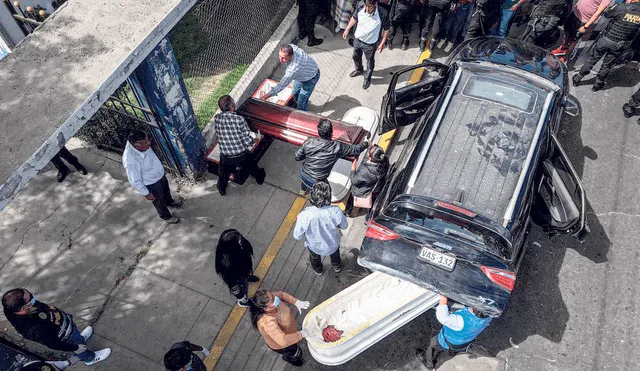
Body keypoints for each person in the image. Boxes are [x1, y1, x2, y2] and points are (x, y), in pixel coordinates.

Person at [2, 288, 111, 367]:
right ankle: (89, 358)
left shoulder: (11, 307)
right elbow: (53, 344)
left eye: (30, 295)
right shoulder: (33, 330)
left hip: (64, 325)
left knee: (77, 338)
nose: (34, 299)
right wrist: (75, 348)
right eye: (30, 300)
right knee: (78, 346)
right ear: (23, 308)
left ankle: (80, 339)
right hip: (66, 336)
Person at [573, 0, 640, 91]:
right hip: (619, 45)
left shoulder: (622, 7)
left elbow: (607, 14)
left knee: (592, 60)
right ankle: (597, 85)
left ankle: (578, 78)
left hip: (606, 40)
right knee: (607, 65)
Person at [417, 295, 493, 370]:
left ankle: (429, 364)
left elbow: (442, 317)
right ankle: (451, 352)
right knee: (454, 349)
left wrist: (443, 298)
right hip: (464, 342)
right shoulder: (489, 317)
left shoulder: (461, 321)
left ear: (474, 309)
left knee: (433, 345)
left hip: (448, 341)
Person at [123, 130, 182, 224]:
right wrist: (146, 193)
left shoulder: (142, 146)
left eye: (147, 140)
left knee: (166, 191)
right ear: (137, 145)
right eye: (146, 142)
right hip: (151, 183)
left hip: (159, 175)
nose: (149, 143)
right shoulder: (131, 160)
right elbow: (134, 180)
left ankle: (170, 202)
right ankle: (166, 216)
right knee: (159, 201)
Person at [295, 119, 369, 193]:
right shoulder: (337, 147)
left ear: (318, 132)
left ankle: (302, 191)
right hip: (318, 180)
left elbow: (297, 157)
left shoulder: (309, 142)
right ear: (331, 132)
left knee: (305, 183)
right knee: (327, 193)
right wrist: (366, 143)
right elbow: (355, 150)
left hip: (303, 174)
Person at [213, 95, 266, 196]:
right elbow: (246, 138)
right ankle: (259, 178)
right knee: (252, 166)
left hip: (225, 155)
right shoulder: (239, 119)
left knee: (223, 173)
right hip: (240, 155)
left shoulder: (217, 118)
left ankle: (221, 188)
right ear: (232, 107)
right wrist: (254, 140)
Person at [293, 181, 348, 275]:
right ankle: (337, 267)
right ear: (328, 198)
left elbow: (297, 236)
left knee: (314, 258)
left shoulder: (304, 216)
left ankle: (318, 270)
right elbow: (344, 226)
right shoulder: (335, 211)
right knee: (335, 255)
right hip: (333, 244)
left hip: (314, 246)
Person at [249, 289, 311, 367]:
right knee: (295, 353)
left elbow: (282, 295)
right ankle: (292, 359)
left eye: (272, 295)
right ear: (266, 309)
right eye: (272, 299)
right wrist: (301, 334)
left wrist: (296, 302)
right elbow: (283, 341)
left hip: (290, 331)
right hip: (282, 345)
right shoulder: (267, 322)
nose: (276, 297)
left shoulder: (270, 298)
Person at [343, 0, 390, 89]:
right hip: (358, 39)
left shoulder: (382, 13)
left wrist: (382, 43)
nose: (367, 9)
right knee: (355, 56)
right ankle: (359, 69)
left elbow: (387, 29)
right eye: (366, 6)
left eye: (370, 7)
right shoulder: (360, 6)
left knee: (370, 61)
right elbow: (354, 17)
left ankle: (367, 77)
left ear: (375, 4)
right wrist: (347, 29)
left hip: (370, 44)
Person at [259, 44, 320, 112]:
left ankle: (302, 113)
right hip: (302, 74)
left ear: (291, 56)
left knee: (301, 102)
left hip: (311, 77)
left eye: (284, 58)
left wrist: (266, 96)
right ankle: (297, 105)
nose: (281, 60)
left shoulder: (293, 68)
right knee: (294, 93)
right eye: (280, 56)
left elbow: (282, 84)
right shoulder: (291, 47)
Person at [215, 229, 260, 307]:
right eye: (238, 241)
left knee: (248, 273)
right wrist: (240, 296)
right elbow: (233, 285)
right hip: (238, 276)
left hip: (245, 267)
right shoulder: (226, 265)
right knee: (243, 287)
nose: (240, 241)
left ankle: (249, 277)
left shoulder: (240, 244)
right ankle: (243, 302)